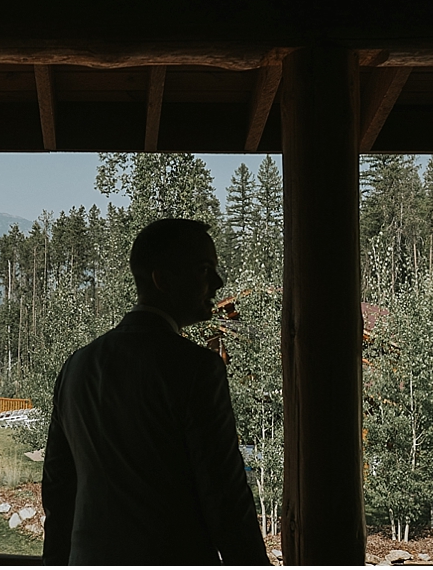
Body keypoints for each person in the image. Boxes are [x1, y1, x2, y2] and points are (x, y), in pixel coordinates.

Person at [41, 218, 270, 565]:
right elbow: (225, 497)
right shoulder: (196, 368)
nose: (219, 283)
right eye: (205, 270)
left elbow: (59, 494)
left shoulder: (77, 366)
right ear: (162, 279)